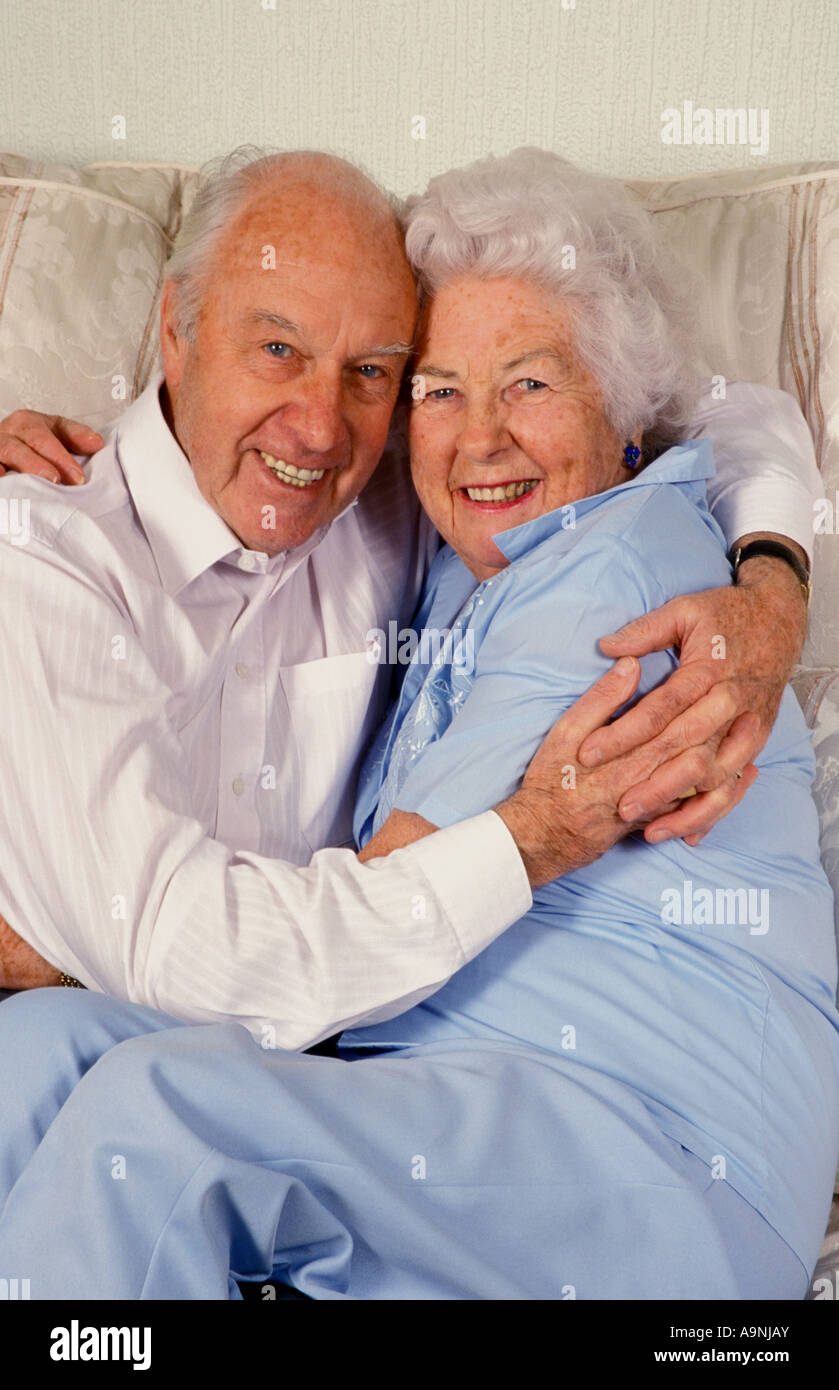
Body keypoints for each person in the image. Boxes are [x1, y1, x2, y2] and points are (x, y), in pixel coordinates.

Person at [0, 149, 833, 1300]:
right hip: (454, 1117)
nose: (477, 436)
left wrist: (776, 578)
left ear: (624, 404)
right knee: (28, 1057)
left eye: (531, 383)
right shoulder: (433, 541)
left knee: (155, 1120)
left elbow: (733, 414)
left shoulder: (617, 580)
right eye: (437, 388)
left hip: (658, 1167)